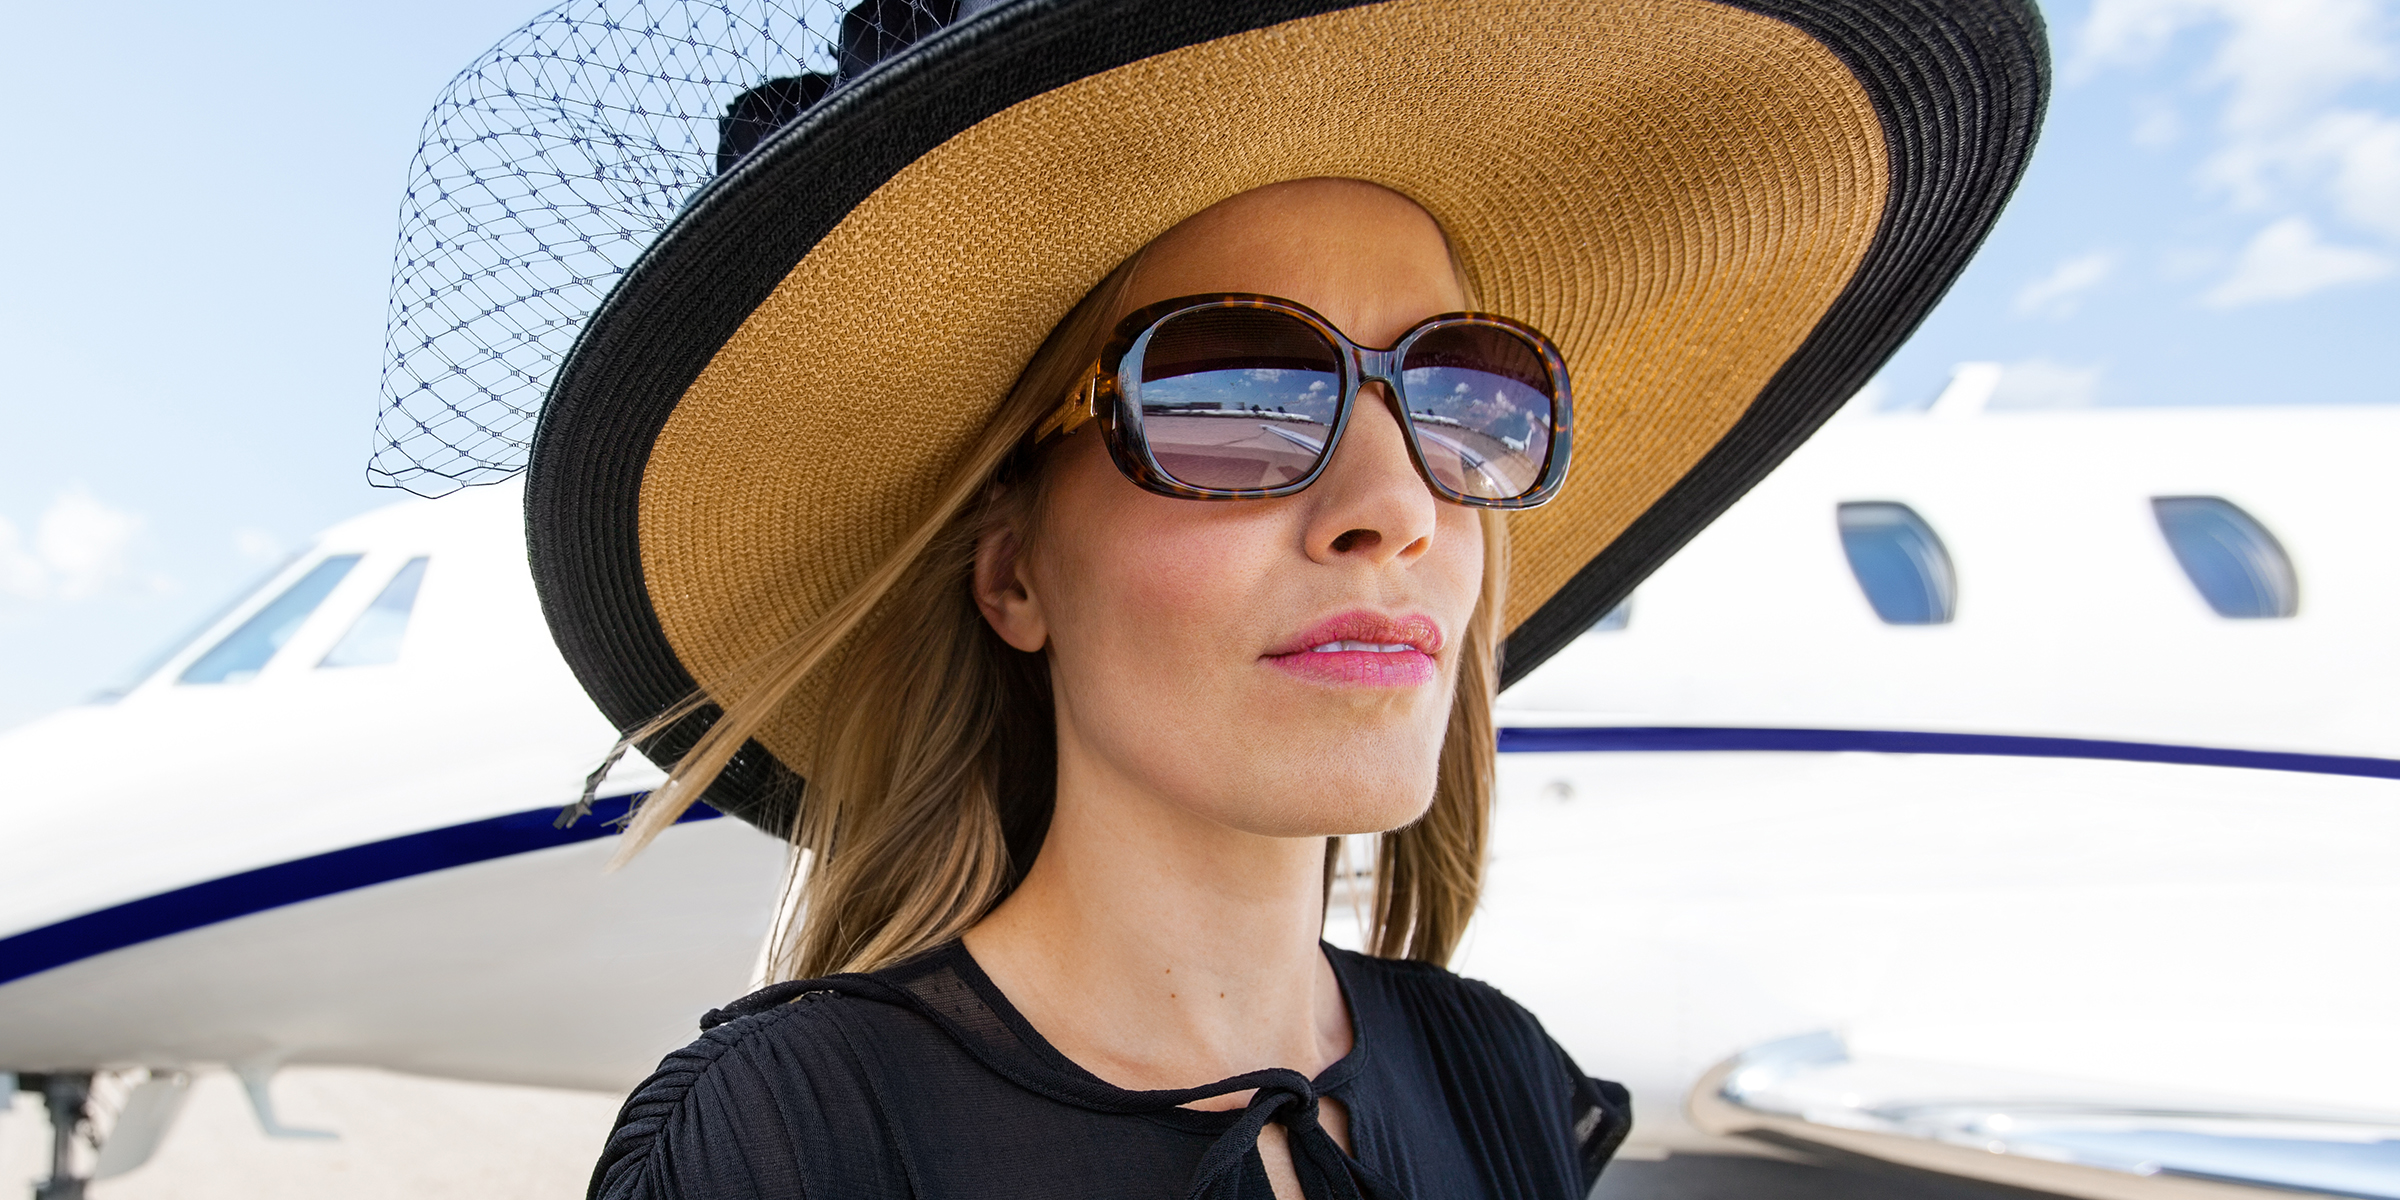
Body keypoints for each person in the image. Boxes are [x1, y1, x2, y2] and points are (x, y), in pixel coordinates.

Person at [377, 0, 2045, 1195]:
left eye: (1465, 397)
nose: (1395, 508)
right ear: (1015, 570)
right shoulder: (792, 1137)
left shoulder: (1502, 1080)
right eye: (1233, 392)